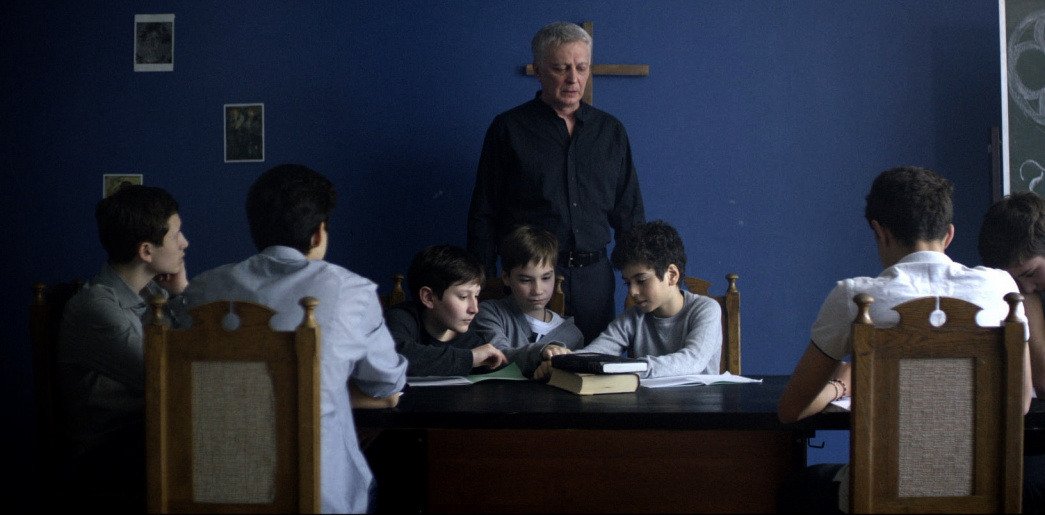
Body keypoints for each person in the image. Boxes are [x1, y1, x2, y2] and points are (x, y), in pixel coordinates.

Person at [776, 166, 1032, 513]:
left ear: (879, 232)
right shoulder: (1001, 288)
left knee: (796, 488)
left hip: (880, 497)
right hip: (980, 494)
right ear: (949, 234)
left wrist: (840, 386)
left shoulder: (855, 298)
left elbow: (792, 410)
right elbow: (1020, 403)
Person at [177, 164, 407, 514]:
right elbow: (386, 384)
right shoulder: (352, 291)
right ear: (318, 233)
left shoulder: (201, 291)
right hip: (320, 496)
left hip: (213, 488)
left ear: (255, 228)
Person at [467, 20, 645, 342]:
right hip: (529, 281)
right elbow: (484, 212)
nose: (573, 79)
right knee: (527, 365)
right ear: (538, 70)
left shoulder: (611, 131)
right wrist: (484, 282)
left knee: (595, 363)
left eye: (581, 67)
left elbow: (629, 213)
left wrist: (640, 279)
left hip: (594, 280)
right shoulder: (508, 129)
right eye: (561, 68)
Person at [57, 185, 190, 511]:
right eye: (176, 235)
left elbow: (189, 353)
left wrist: (181, 292)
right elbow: (171, 377)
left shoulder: (150, 295)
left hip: (145, 432)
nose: (184, 243)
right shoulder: (97, 308)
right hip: (110, 451)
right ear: (146, 251)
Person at [533, 220, 722, 381]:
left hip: (699, 409)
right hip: (649, 409)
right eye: (628, 282)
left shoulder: (706, 309)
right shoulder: (634, 317)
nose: (632, 292)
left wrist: (625, 368)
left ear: (672, 275)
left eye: (641, 280)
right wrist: (564, 361)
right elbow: (596, 353)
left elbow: (691, 361)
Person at [978, 190, 1045, 514]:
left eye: (1030, 273)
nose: (1026, 288)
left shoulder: (1024, 298)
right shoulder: (1009, 293)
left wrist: (1027, 304)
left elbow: (1043, 381)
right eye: (1015, 282)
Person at [473, 225, 584, 378]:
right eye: (525, 280)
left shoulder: (573, 335)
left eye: (546, 278)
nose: (537, 290)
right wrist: (542, 351)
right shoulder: (489, 313)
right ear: (506, 278)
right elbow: (498, 357)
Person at [385, 244, 508, 376]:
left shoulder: (472, 341)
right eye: (463, 296)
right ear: (428, 297)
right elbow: (394, 357)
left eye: (476, 296)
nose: (475, 309)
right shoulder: (400, 319)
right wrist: (470, 358)